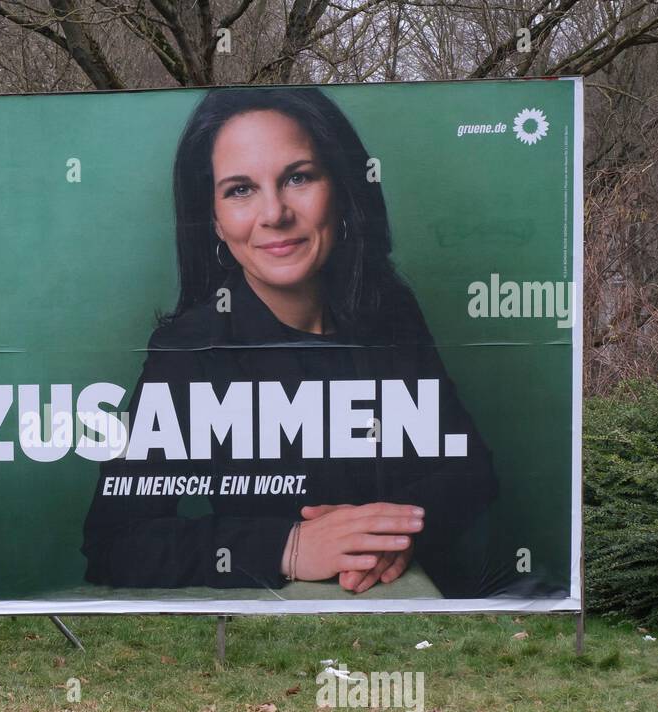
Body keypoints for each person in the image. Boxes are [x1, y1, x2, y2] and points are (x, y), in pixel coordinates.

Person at [82, 87, 505, 598]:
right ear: (214, 218)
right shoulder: (189, 352)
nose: (275, 212)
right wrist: (290, 544)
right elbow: (115, 543)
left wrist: (388, 533)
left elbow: (470, 468)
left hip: (412, 610)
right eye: (240, 190)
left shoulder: (388, 311)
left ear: (342, 188)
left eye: (298, 177)